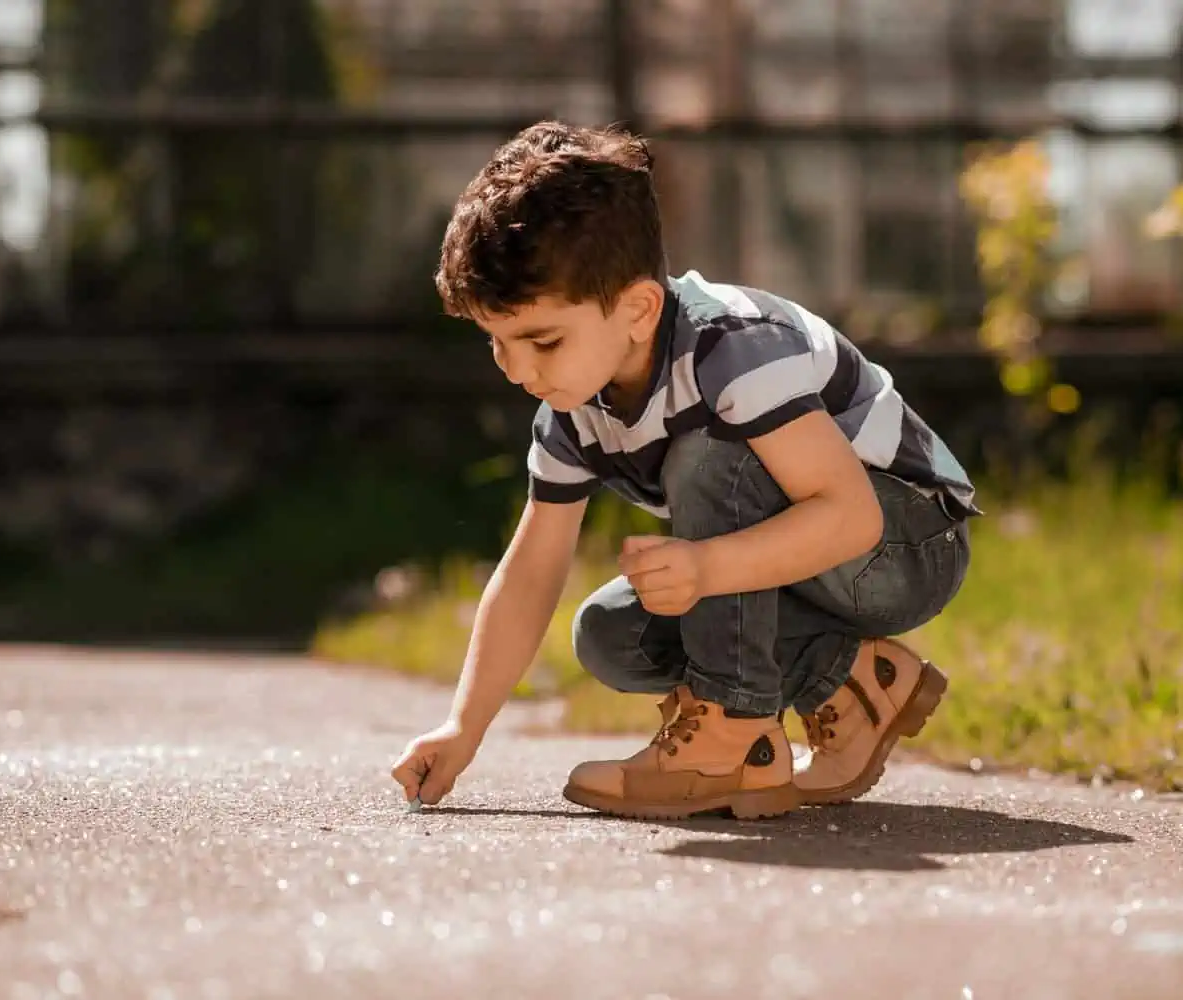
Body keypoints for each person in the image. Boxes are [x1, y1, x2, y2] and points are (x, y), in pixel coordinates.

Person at [391, 121, 979, 820]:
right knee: (612, 634)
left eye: (540, 340)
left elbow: (851, 516)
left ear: (638, 308)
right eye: (497, 344)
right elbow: (531, 572)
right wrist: (465, 729)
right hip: (815, 559)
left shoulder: (732, 350)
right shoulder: (575, 406)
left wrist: (706, 572)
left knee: (709, 455)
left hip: (906, 542)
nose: (517, 370)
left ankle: (731, 739)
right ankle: (854, 684)